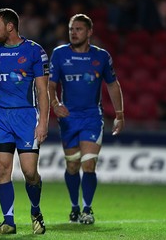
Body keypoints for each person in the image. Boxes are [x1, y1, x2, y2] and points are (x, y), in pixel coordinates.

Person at [48, 13, 124, 225]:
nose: (73, 32)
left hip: (91, 116)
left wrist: (119, 115)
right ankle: (74, 207)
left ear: (89, 32)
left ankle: (88, 209)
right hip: (69, 117)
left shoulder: (101, 57)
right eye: (71, 29)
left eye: (78, 29)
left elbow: (112, 84)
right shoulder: (59, 54)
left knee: (88, 165)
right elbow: (50, 85)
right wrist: (55, 105)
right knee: (72, 166)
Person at [0, 8, 49, 235]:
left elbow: (42, 91)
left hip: (26, 118)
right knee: (3, 170)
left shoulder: (34, 51)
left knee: (30, 173)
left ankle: (36, 211)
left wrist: (43, 123)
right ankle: (8, 221)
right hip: (1, 117)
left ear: (10, 26)